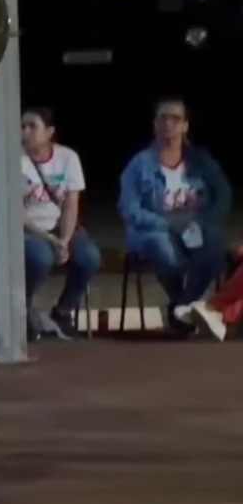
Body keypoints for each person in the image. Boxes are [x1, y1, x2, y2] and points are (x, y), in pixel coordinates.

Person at [119, 96, 231, 336]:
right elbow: (129, 207)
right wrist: (165, 224)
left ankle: (180, 307)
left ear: (185, 126)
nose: (168, 123)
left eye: (175, 119)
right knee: (160, 245)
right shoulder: (140, 164)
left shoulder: (201, 160)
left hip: (193, 224)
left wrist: (204, 222)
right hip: (155, 227)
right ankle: (184, 306)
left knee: (214, 245)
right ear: (154, 123)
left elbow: (223, 194)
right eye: (162, 118)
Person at [19, 106, 100, 338]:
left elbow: (71, 203)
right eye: (23, 126)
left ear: (49, 131)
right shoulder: (13, 159)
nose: (25, 132)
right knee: (40, 258)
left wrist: (64, 239)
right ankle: (20, 312)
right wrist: (49, 239)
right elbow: (15, 211)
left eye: (32, 126)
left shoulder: (68, 157)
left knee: (89, 257)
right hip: (27, 229)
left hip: (59, 226)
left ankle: (63, 311)